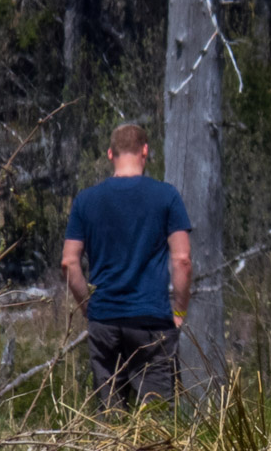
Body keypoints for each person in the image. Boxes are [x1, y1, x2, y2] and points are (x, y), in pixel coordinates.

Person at [61, 123, 194, 409]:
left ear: (110, 154)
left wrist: (89, 307)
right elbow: (182, 260)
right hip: (151, 321)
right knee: (156, 422)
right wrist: (180, 309)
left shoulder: (85, 201)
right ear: (145, 150)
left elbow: (70, 262)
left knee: (110, 420)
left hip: (104, 320)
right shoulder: (167, 196)